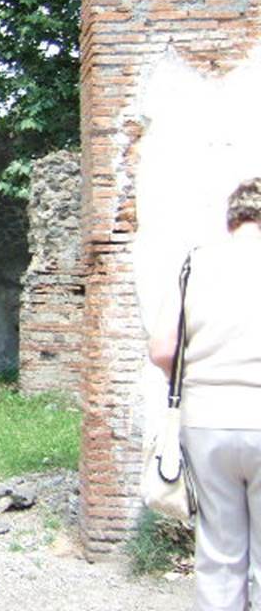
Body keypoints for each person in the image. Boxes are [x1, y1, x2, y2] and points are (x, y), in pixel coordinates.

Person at [149, 177, 261, 611]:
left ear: (232, 219)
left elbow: (162, 349)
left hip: (206, 419)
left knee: (219, 553)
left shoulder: (195, 264)